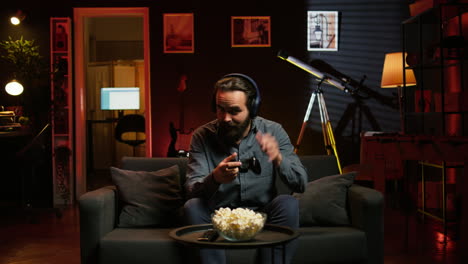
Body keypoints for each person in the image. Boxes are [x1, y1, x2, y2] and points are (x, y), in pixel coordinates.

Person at [183, 73, 307, 264]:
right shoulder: (202, 136)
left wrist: (278, 158)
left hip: (261, 216)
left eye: (234, 111)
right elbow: (192, 191)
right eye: (220, 109)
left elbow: (300, 184)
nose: (225, 118)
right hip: (217, 218)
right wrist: (214, 178)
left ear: (252, 109)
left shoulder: (273, 131)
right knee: (193, 206)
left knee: (288, 203)